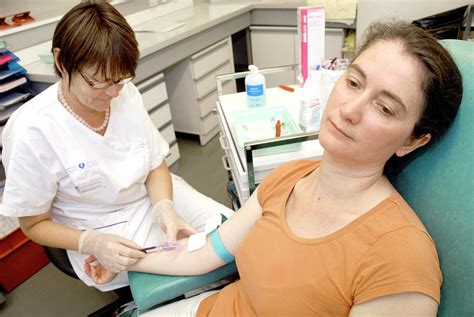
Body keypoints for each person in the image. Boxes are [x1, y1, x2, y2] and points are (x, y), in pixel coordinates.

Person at [86, 20, 463, 316]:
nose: (349, 110)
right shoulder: (291, 176)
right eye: (353, 82)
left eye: (385, 108)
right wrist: (128, 256)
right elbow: (204, 253)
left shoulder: (399, 259)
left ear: (413, 140)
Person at [0, 0, 232, 292]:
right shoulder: (30, 131)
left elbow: (154, 164)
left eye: (120, 80)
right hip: (99, 227)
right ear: (61, 62)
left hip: (152, 196)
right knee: (203, 270)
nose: (112, 93)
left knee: (233, 233)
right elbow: (33, 225)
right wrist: (92, 242)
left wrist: (164, 208)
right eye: (98, 82)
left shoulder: (125, 93)